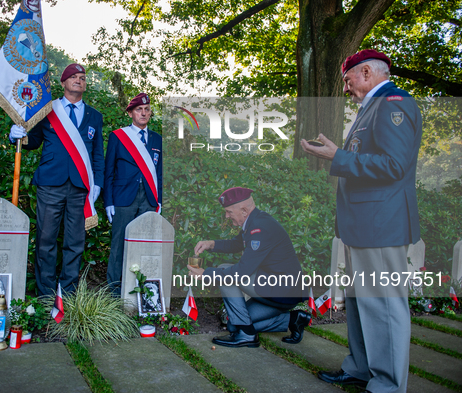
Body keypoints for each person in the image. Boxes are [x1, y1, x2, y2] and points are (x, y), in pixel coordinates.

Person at [300, 49, 422, 392]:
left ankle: (387, 384)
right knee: (359, 302)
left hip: (381, 225)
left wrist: (337, 157)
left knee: (383, 306)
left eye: (348, 78)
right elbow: (372, 159)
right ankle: (361, 368)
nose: (347, 86)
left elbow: (393, 165)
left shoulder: (392, 103)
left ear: (366, 72)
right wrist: (338, 154)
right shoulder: (373, 106)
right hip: (364, 224)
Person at [9, 63, 104, 296]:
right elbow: (34, 140)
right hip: (50, 183)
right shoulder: (48, 109)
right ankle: (46, 293)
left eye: (82, 77)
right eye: (73, 77)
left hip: (81, 187)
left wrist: (98, 183)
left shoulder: (94, 116)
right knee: (46, 240)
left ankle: (68, 292)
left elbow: (97, 154)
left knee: (75, 242)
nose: (78, 80)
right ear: (63, 83)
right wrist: (17, 136)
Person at [189, 187, 310, 348]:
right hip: (278, 288)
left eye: (229, 212)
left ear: (244, 210)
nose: (226, 215)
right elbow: (237, 243)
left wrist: (206, 274)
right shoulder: (255, 221)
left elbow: (241, 273)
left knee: (226, 272)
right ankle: (293, 319)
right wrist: (211, 244)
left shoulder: (260, 227)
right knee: (234, 326)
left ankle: (246, 336)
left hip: (283, 290)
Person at [104, 93, 162, 296]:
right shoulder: (118, 136)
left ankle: (142, 290)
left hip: (148, 199)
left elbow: (160, 173)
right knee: (119, 244)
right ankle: (114, 290)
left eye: (147, 109)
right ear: (130, 113)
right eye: (139, 109)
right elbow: (108, 171)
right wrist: (108, 202)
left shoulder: (157, 139)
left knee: (146, 245)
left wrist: (159, 201)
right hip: (123, 198)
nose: (144, 113)